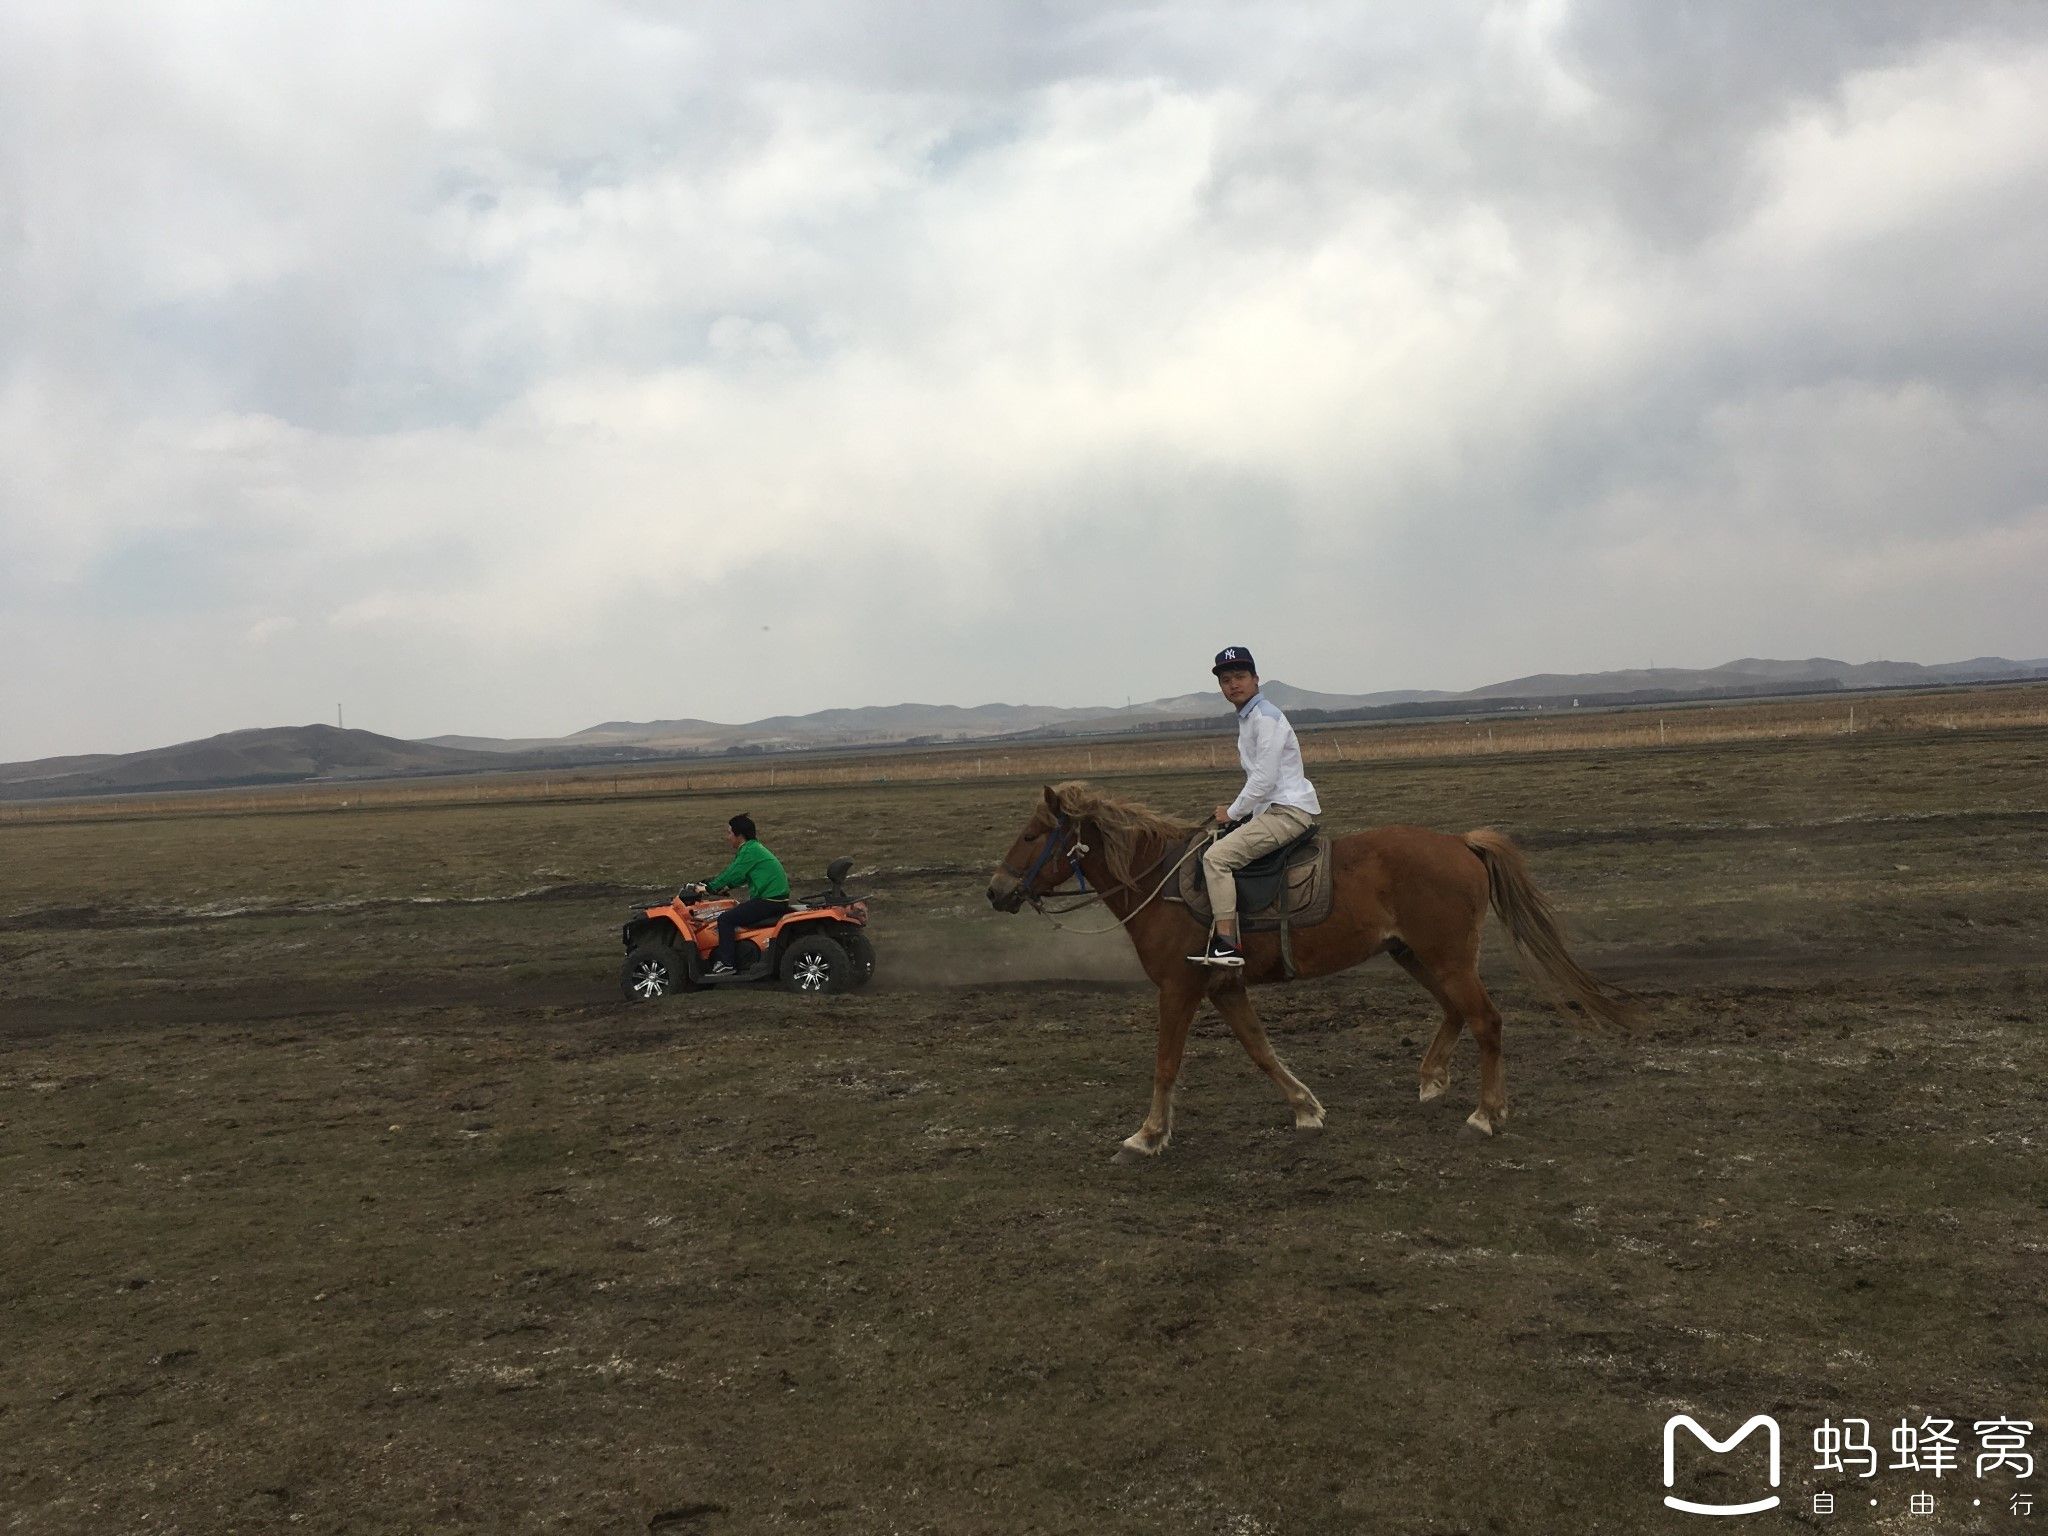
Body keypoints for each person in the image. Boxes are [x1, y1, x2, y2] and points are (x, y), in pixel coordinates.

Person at [1191, 646, 1321, 967]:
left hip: (1287, 812)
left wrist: (1232, 812)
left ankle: (1226, 945)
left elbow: (1264, 779)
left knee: (1216, 858)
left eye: (1239, 677)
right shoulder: (1250, 718)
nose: (1233, 684)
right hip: (1272, 809)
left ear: (1255, 679)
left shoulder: (1266, 718)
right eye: (1225, 680)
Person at [695, 814, 792, 977]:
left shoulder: (749, 851)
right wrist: (722, 886)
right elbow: (739, 876)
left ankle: (727, 964)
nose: (727, 838)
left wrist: (709, 888)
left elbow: (732, 873)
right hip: (775, 899)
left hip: (769, 901)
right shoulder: (753, 848)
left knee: (725, 919)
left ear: (739, 835)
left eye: (729, 833)